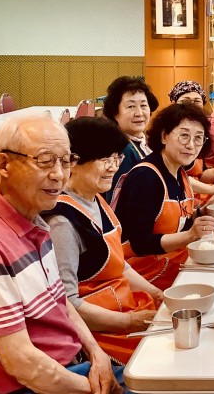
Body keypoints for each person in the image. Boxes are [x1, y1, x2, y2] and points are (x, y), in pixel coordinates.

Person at [0, 113, 126, 394]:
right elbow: (23, 364)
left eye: (65, 161)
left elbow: (61, 301)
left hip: (68, 366)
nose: (58, 174)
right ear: (3, 164)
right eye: (44, 160)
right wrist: (96, 389)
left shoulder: (34, 220)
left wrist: (96, 353)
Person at [43, 117, 164, 364]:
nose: (114, 167)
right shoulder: (62, 224)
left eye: (116, 158)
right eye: (104, 159)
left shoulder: (96, 199)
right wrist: (128, 322)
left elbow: (121, 264)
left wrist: (157, 293)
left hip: (121, 308)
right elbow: (67, 303)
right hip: (97, 334)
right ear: (73, 162)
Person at [113, 103, 214, 290]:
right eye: (184, 135)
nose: (191, 145)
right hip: (145, 276)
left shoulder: (179, 172)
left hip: (171, 262)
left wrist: (201, 212)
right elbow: (140, 243)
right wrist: (189, 236)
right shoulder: (146, 177)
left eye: (198, 138)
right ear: (164, 136)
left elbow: (176, 223)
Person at [168, 80, 214, 184]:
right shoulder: (169, 133)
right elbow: (177, 179)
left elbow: (201, 175)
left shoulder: (203, 131)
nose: (192, 105)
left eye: (197, 101)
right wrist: (211, 190)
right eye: (186, 101)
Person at [102, 76, 160, 194]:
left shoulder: (145, 142)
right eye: (131, 106)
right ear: (115, 113)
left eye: (143, 105)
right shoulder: (122, 150)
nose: (139, 113)